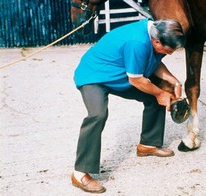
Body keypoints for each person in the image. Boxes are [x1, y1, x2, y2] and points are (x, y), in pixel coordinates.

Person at [71, 18, 186, 193]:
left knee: (156, 96)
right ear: (156, 41)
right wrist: (160, 92)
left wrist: (174, 81)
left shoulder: (157, 33)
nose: (168, 54)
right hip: (93, 76)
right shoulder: (137, 41)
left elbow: (154, 61)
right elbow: (136, 79)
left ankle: (148, 144)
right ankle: (79, 174)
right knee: (98, 114)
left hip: (120, 73)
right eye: (167, 50)